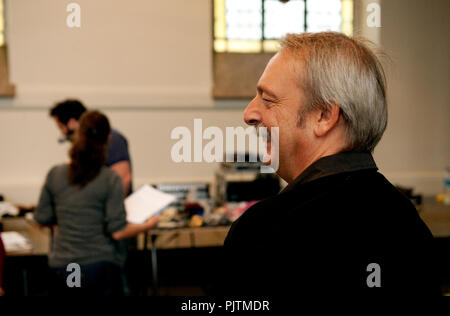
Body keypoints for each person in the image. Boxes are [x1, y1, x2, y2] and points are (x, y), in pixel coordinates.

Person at [222, 32, 441, 296]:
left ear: (324, 116)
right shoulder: (407, 223)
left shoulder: (263, 232)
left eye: (268, 100)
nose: (249, 114)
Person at [35, 111, 158, 296]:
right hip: (99, 266)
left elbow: (41, 218)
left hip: (67, 265)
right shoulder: (110, 179)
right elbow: (117, 231)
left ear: (78, 135)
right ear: (107, 139)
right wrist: (148, 224)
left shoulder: (56, 174)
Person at [49, 99, 132, 196]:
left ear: (72, 123)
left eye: (61, 127)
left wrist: (113, 207)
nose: (62, 133)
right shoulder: (82, 144)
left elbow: (123, 179)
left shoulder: (112, 139)